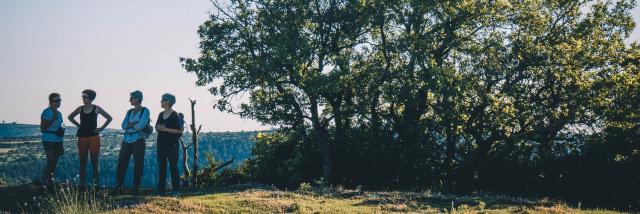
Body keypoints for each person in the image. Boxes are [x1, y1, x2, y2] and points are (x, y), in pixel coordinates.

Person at [67, 89, 112, 191]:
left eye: (85, 97)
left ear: (91, 98)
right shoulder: (80, 109)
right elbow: (70, 117)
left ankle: (96, 186)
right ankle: (82, 186)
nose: (83, 98)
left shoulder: (96, 108)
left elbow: (109, 118)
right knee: (82, 161)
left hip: (93, 137)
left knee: (94, 161)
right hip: (82, 137)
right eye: (82, 96)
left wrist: (101, 129)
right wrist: (78, 125)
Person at [112, 90, 150, 194]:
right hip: (127, 139)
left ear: (137, 99)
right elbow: (123, 125)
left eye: (131, 98)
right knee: (121, 163)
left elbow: (140, 126)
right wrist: (134, 125)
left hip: (138, 140)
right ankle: (119, 186)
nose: (130, 100)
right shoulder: (129, 112)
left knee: (138, 163)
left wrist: (131, 125)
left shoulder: (145, 111)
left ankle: (136, 187)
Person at [155, 93, 183, 196]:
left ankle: (176, 190)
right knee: (162, 166)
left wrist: (165, 129)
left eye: (163, 99)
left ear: (168, 101)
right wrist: (159, 128)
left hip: (172, 144)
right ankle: (161, 190)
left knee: (173, 166)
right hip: (161, 144)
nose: (161, 101)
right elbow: (157, 127)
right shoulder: (160, 114)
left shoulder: (175, 115)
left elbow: (180, 131)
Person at [40, 93, 64, 192]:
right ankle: (44, 183)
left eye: (59, 100)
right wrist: (52, 120)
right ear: (51, 102)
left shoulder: (59, 113)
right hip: (48, 139)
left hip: (58, 140)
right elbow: (42, 128)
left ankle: (50, 182)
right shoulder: (46, 112)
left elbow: (61, 128)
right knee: (50, 161)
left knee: (54, 163)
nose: (58, 102)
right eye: (56, 100)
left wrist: (62, 145)